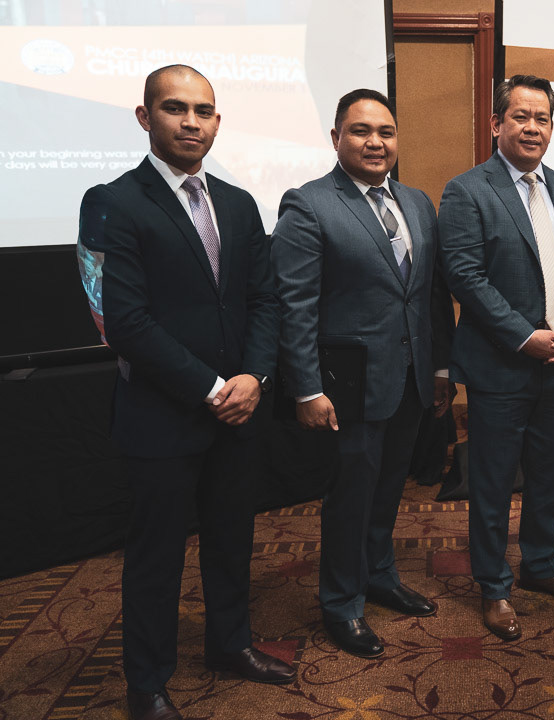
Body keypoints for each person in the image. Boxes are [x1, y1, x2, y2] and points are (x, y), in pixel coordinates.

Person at [77, 65, 293, 720]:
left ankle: (230, 645)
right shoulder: (111, 201)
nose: (191, 121)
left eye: (203, 111)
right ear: (146, 117)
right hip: (162, 417)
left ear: (217, 122)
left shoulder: (239, 202)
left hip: (240, 412)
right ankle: (146, 683)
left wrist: (255, 378)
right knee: (156, 558)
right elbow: (122, 322)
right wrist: (212, 388)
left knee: (232, 541)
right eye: (175, 108)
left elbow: (265, 301)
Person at [271, 89, 453, 659]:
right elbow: (295, 305)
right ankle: (341, 602)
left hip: (411, 378)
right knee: (350, 496)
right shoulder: (308, 205)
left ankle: (379, 575)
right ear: (336, 138)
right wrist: (306, 387)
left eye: (386, 132)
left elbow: (430, 294)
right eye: (361, 131)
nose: (376, 142)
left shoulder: (417, 203)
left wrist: (441, 368)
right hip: (348, 387)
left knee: (390, 487)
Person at [438, 74, 554, 640]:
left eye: (543, 118)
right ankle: (493, 586)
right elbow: (465, 276)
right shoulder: (467, 190)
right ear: (496, 123)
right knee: (492, 483)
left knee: (551, 477)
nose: (533, 128)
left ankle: (539, 566)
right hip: (500, 367)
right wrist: (523, 336)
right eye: (521, 116)